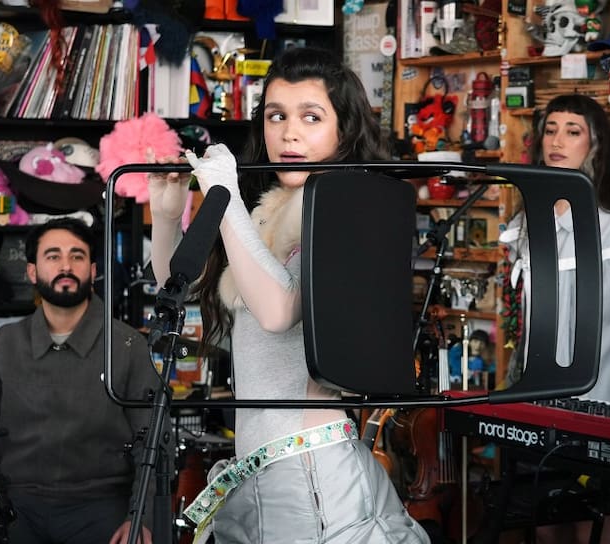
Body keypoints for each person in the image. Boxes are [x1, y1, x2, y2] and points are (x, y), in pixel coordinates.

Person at [148, 47, 429, 543]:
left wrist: (227, 198)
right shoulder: (273, 211)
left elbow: (279, 311)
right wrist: (169, 214)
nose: (289, 133)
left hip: (308, 466)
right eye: (276, 115)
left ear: (343, 131)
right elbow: (177, 282)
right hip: (261, 466)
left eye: (311, 117)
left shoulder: (344, 209)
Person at [0, 218, 158, 544]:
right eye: (53, 256)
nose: (66, 265)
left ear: (93, 271)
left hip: (100, 504)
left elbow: (151, 446)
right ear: (33, 272)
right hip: (15, 504)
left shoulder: (126, 346)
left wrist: (140, 519)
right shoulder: (6, 344)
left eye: (77, 256)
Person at [499, 94, 610, 544]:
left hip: (605, 402)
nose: (558, 140)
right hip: (540, 400)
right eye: (551, 130)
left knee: (606, 516)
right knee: (547, 517)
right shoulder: (527, 222)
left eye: (573, 131)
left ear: (595, 145)